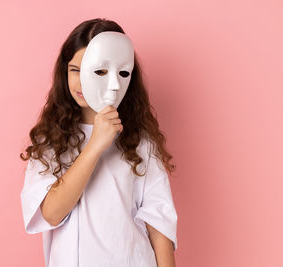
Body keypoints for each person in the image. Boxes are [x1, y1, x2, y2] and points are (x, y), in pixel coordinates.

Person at [20, 18, 178, 267]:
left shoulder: (141, 142)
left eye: (98, 71)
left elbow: (160, 222)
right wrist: (95, 145)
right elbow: (50, 213)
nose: (83, 82)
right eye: (75, 70)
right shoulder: (49, 141)